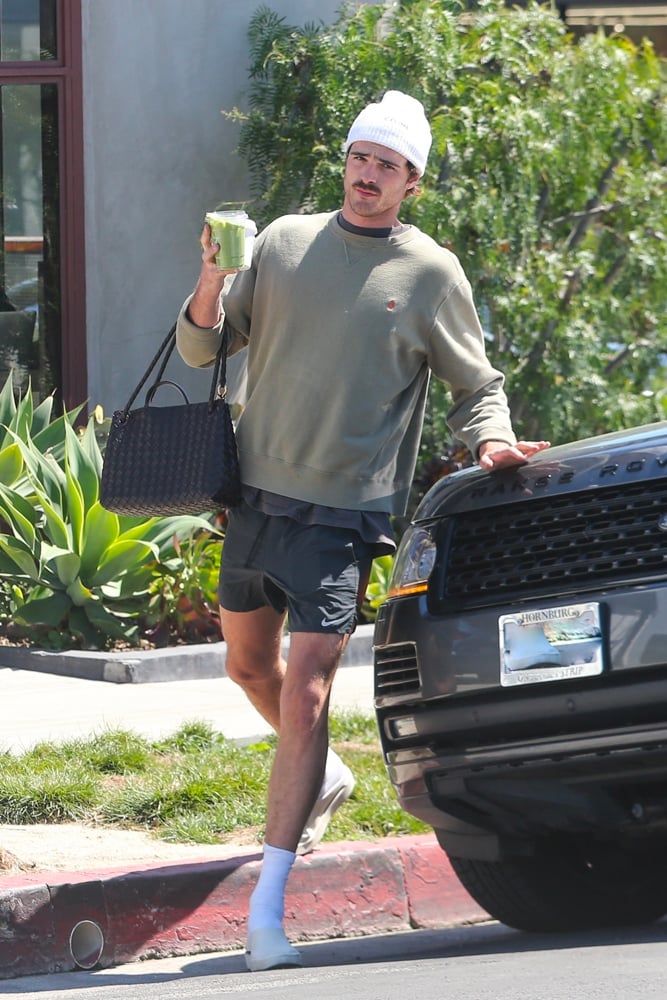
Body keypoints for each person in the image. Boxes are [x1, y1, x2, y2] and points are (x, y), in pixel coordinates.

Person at [176, 90, 550, 972]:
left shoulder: (429, 273)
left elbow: (475, 383)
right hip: (255, 499)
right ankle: (325, 777)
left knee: (306, 690)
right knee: (246, 668)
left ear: (411, 182)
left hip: (345, 515)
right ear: (344, 160)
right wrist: (206, 277)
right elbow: (200, 349)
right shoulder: (281, 242)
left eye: (387, 165)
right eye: (359, 157)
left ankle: (266, 914)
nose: (367, 175)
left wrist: (491, 442)